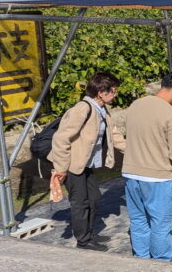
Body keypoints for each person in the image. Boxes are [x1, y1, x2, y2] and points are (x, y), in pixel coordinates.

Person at [48, 72, 126, 251]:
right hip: (72, 165)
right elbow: (61, 138)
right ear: (101, 93)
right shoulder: (83, 109)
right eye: (113, 91)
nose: (115, 95)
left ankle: (89, 233)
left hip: (86, 164)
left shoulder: (102, 110)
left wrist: (134, 152)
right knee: (80, 202)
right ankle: (83, 241)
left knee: (93, 197)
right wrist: (61, 168)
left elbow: (114, 135)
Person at [121, 71, 172, 261]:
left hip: (131, 174)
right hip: (159, 178)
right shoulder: (171, 114)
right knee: (161, 225)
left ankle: (141, 259)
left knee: (138, 221)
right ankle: (161, 262)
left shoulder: (136, 105)